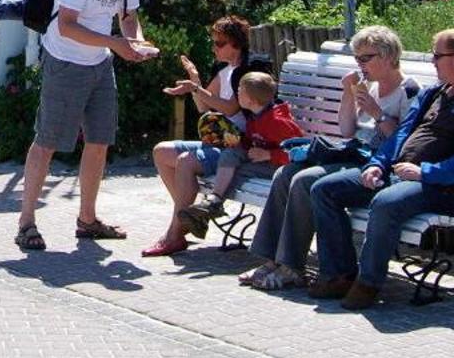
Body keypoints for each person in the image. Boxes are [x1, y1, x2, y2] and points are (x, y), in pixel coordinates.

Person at [306, 28, 454, 309]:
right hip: (401, 173)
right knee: (324, 189)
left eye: (438, 55)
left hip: (445, 186)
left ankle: (368, 283)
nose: (432, 61)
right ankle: (339, 274)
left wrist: (424, 172)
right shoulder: (433, 94)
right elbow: (402, 134)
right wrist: (378, 164)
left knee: (385, 202)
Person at [14, 0, 159, 251]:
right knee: (47, 141)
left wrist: (135, 43)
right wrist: (115, 43)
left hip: (99, 63)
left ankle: (87, 220)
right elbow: (66, 27)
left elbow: (128, 16)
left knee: (100, 140)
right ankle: (26, 222)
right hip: (65, 61)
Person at [241, 25, 416, 291]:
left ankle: (291, 267)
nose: (360, 64)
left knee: (304, 180)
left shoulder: (409, 91)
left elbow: (405, 142)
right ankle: (271, 259)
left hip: (376, 163)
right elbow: (347, 130)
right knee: (285, 173)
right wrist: (348, 94)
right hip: (352, 151)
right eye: (357, 58)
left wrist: (377, 113)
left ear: (388, 56)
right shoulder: (370, 85)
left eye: (365, 58)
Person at [145, 15, 272, 255]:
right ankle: (188, 216)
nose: (214, 47)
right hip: (219, 141)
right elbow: (204, 107)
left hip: (238, 145)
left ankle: (175, 233)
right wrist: (195, 81)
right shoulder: (222, 69)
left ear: (236, 43)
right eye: (213, 42)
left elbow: (231, 107)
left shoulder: (249, 70)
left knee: (185, 162)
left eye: (220, 43)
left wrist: (196, 88)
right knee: (161, 152)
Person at [166, 70, 301, 240]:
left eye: (240, 91)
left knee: (236, 171)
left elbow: (298, 152)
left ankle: (212, 206)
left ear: (251, 99)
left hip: (280, 168)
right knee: (231, 154)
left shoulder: (277, 122)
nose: (237, 94)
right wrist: (234, 139)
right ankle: (213, 203)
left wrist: (269, 155)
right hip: (261, 161)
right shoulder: (256, 115)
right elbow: (251, 141)